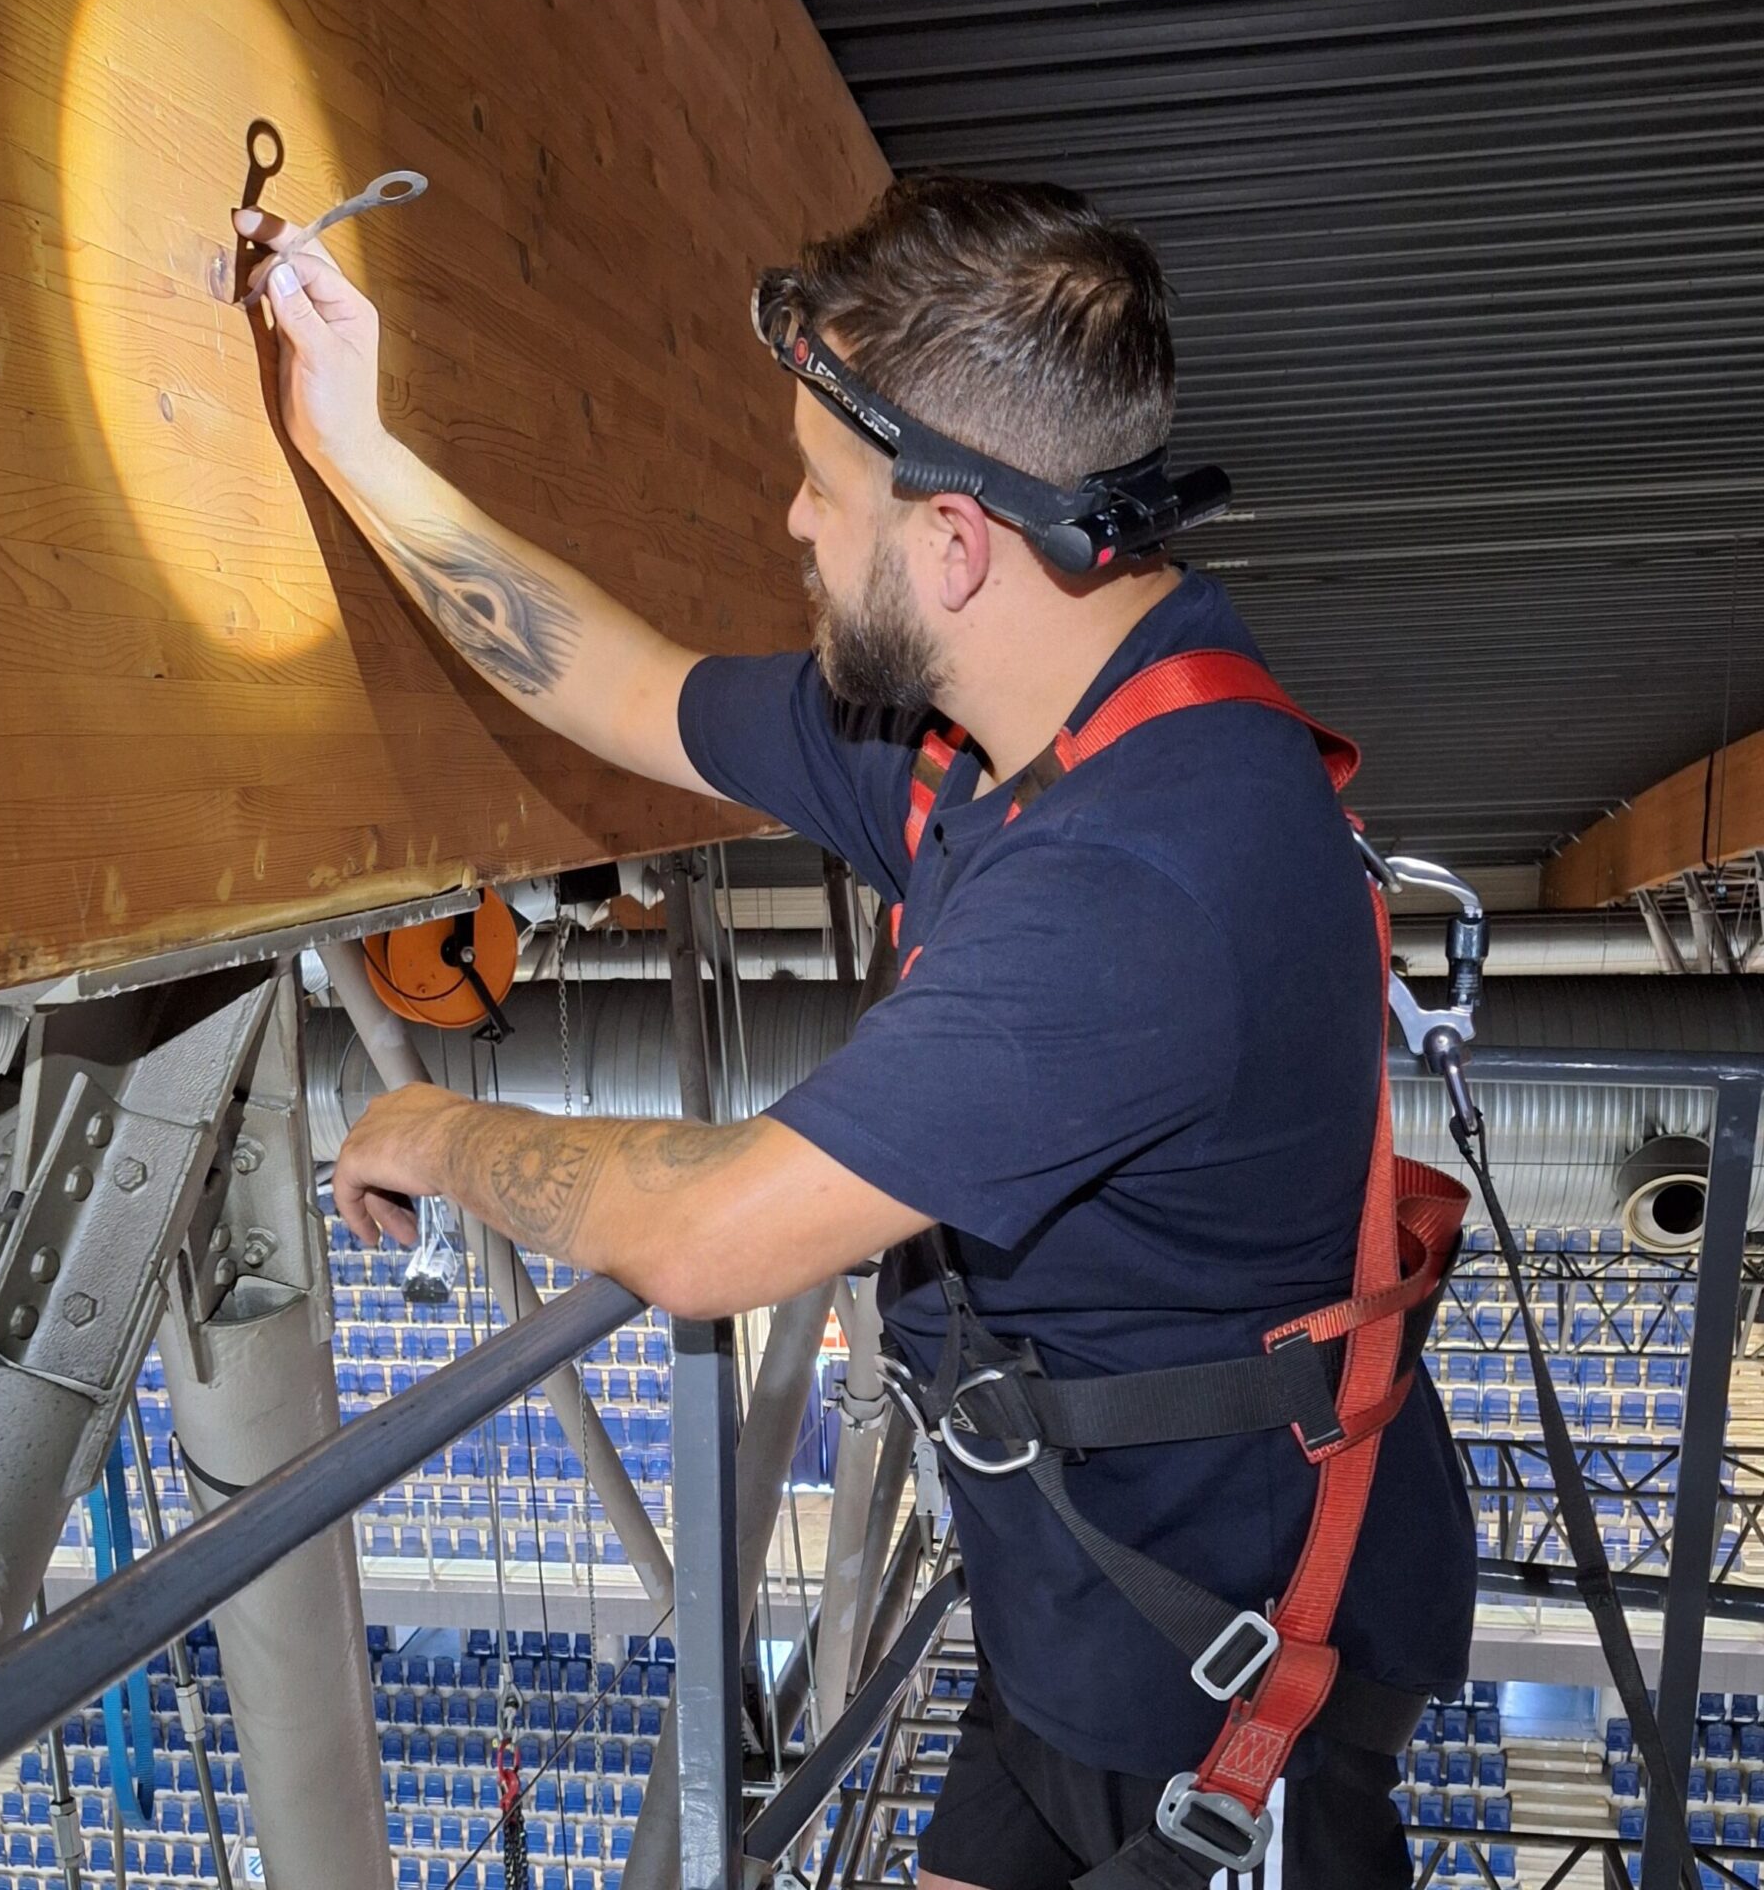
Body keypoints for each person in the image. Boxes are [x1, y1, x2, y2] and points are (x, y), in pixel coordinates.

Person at [235, 174, 1475, 1889]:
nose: (794, 525)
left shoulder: (1138, 885)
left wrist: (429, 1130)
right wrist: (357, 444)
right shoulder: (1013, 724)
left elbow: (704, 1237)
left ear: (957, 540)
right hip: (1088, 1611)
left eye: (824, 490)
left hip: (1224, 1693)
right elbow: (620, 684)